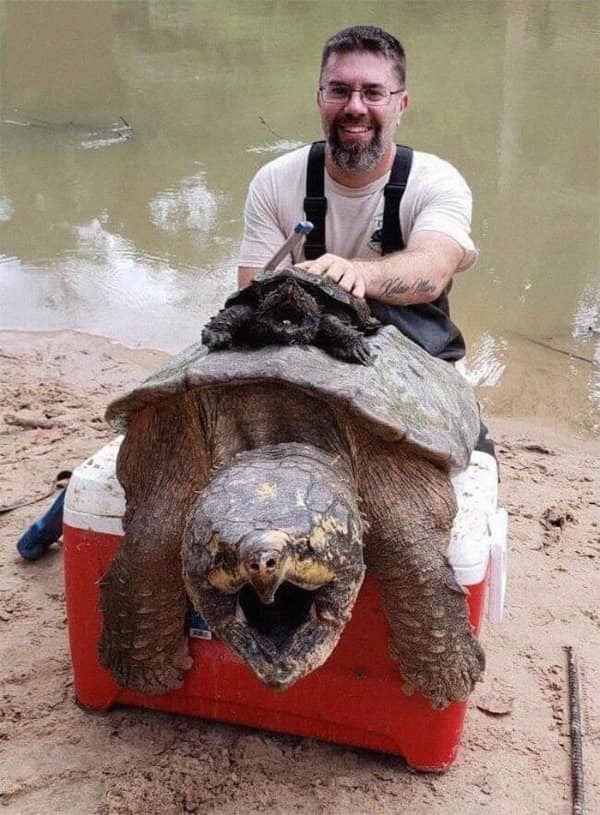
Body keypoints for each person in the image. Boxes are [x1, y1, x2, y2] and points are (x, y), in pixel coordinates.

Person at [238, 24, 495, 456]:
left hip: (416, 377)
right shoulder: (274, 182)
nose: (354, 107)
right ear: (320, 98)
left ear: (401, 104)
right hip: (302, 374)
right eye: (339, 91)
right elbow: (248, 291)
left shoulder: (437, 181)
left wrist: (351, 272)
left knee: (475, 460)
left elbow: (431, 272)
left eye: (373, 93)